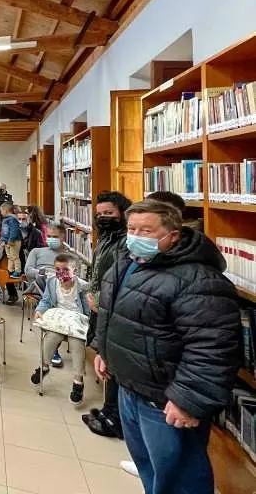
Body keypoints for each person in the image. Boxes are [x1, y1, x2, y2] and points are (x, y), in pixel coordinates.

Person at [93, 199, 240, 494]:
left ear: (173, 234)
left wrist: (187, 399)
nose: (136, 236)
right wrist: (103, 349)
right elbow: (113, 312)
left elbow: (212, 346)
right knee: (150, 470)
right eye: (132, 228)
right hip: (129, 388)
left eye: (147, 230)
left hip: (166, 400)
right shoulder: (127, 261)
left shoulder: (198, 279)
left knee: (180, 479)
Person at [82, 190, 133, 439]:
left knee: (113, 360)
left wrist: (102, 300)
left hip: (115, 307)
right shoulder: (105, 237)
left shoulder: (126, 240)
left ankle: (114, 417)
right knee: (107, 356)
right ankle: (108, 410)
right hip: (100, 304)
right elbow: (98, 269)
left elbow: (123, 276)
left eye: (109, 213)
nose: (103, 218)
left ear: (122, 214)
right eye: (99, 213)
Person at [30, 253, 90, 404]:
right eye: (57, 269)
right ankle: (44, 366)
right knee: (51, 338)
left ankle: (78, 381)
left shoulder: (82, 286)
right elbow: (47, 300)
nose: (61, 273)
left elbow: (88, 309)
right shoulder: (52, 282)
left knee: (77, 343)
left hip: (76, 319)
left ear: (74, 270)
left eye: (65, 270)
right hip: (58, 317)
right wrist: (39, 310)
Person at [24, 223, 64, 292]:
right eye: (49, 236)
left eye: (55, 237)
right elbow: (28, 271)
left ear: (62, 237)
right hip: (39, 287)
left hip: (59, 287)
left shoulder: (69, 257)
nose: (51, 239)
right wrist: (42, 273)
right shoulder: (36, 251)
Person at [0, 202, 22, 277]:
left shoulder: (12, 219)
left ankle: (18, 271)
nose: (1, 213)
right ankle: (10, 270)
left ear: (5, 210)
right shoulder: (6, 219)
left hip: (14, 241)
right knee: (9, 256)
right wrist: (2, 240)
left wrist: (11, 240)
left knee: (15, 256)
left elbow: (14, 230)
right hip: (7, 241)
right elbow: (4, 231)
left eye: (1, 211)